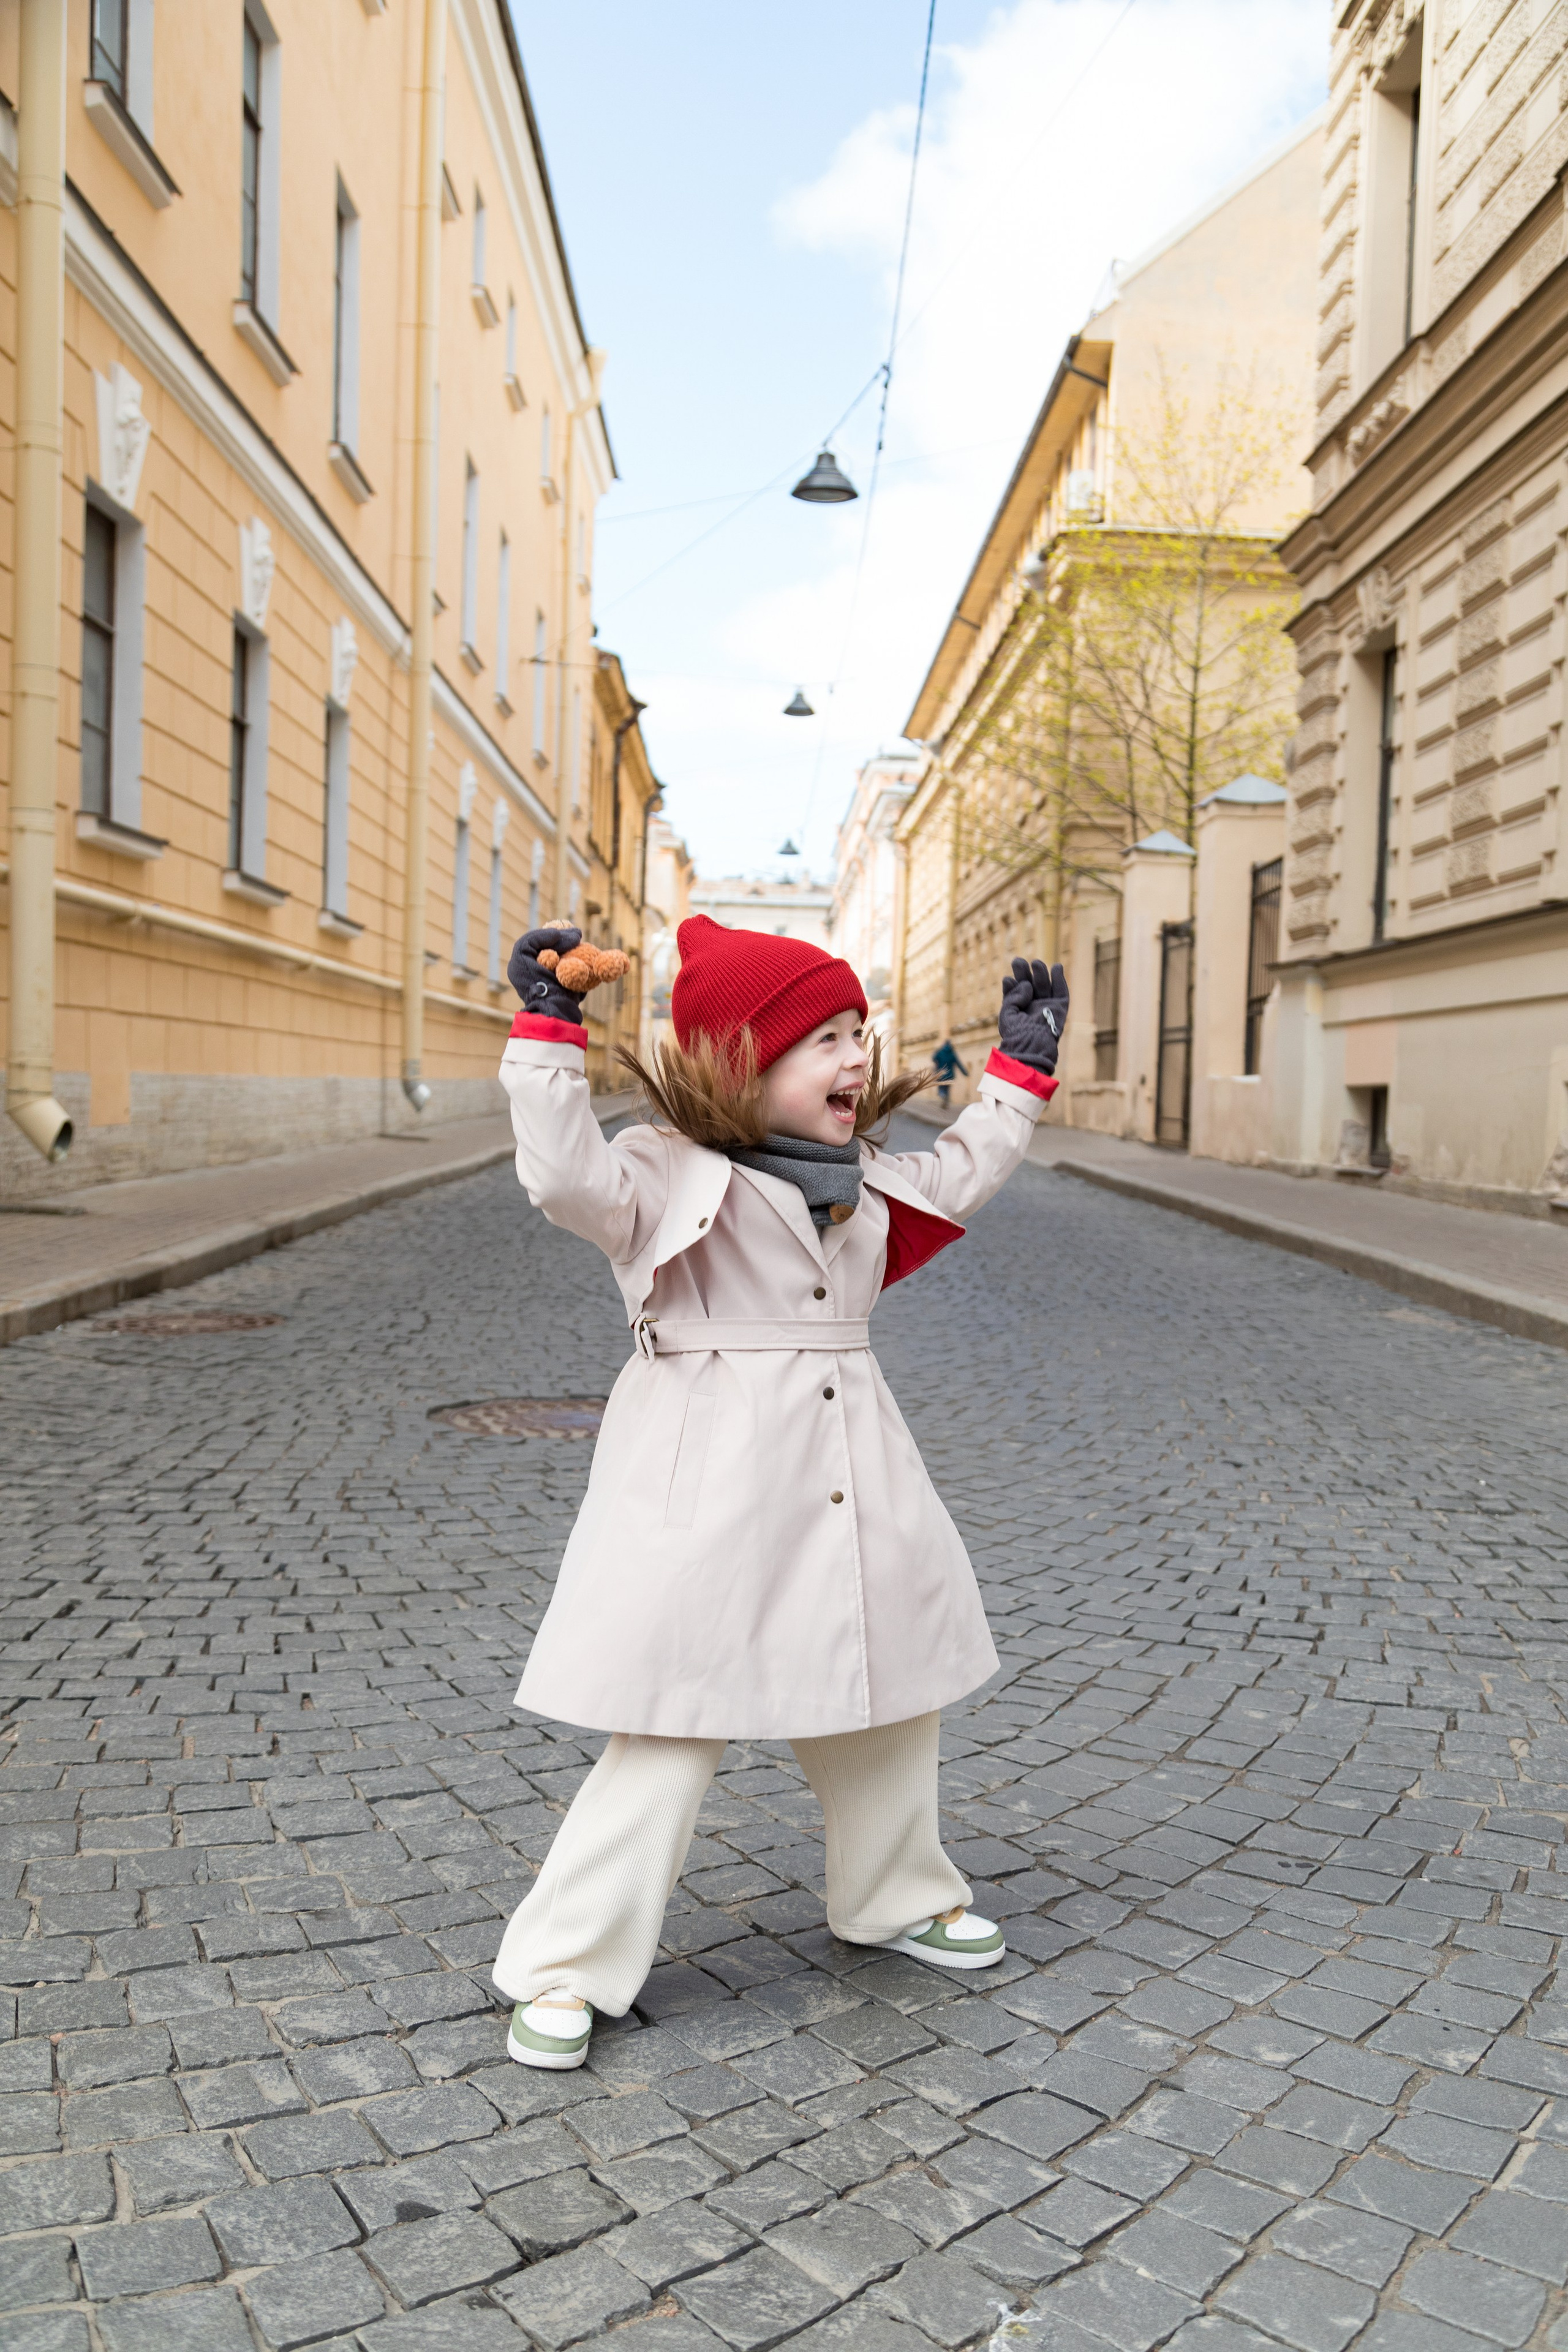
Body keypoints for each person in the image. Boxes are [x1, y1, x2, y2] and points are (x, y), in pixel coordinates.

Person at [491, 914, 1069, 2068]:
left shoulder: (861, 1182)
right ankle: (563, 1965)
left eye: (861, 1034)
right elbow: (561, 1174)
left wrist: (1021, 1074)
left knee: (886, 1689)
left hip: (853, 1465)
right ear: (742, 1056)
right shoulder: (659, 1176)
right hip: (704, 1479)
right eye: (824, 1039)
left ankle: (896, 1896)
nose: (856, 1058)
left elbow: (964, 1172)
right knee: (669, 1720)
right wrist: (549, 1034)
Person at [930, 1037, 967, 1107]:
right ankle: (946, 1100)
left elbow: (934, 1058)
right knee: (947, 1089)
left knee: (941, 1087)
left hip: (941, 1074)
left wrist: (936, 1052)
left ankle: (942, 1096)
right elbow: (958, 1063)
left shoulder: (940, 1052)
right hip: (950, 1075)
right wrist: (965, 1072)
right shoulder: (952, 1054)